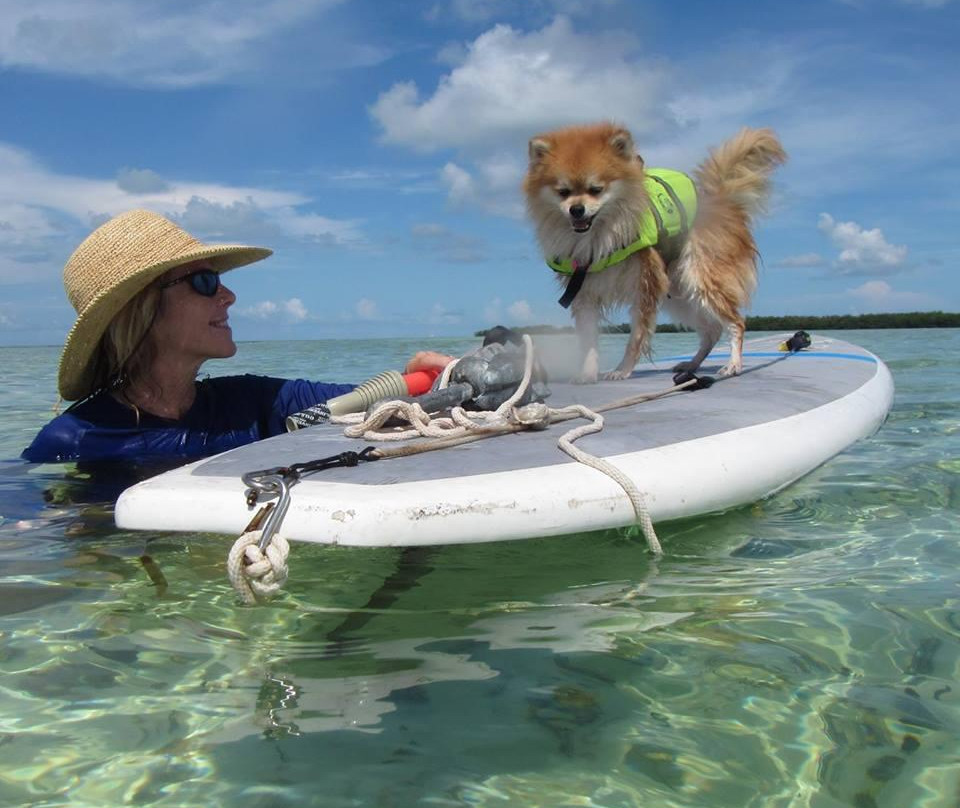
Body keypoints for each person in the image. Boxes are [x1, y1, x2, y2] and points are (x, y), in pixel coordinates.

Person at [22, 209, 452, 466]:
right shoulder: (75, 440)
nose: (228, 295)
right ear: (143, 310)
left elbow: (366, 402)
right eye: (205, 281)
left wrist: (422, 378)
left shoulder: (255, 403)